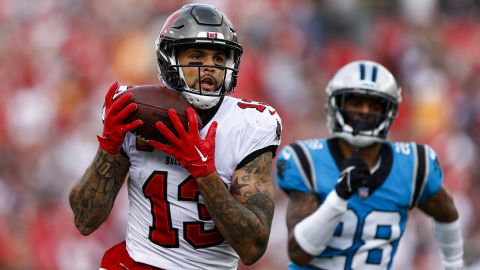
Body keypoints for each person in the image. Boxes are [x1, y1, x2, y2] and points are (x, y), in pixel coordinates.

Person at [69, 4, 282, 270]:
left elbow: (252, 248)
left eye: (219, 59)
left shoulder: (249, 124)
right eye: (197, 56)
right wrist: (109, 145)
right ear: (169, 57)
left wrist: (204, 171)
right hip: (139, 262)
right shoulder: (137, 110)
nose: (210, 68)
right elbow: (85, 220)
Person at [276, 60, 464, 270]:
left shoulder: (413, 165)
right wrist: (338, 198)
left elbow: (447, 213)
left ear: (390, 111)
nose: (365, 112)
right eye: (355, 103)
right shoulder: (307, 160)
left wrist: (454, 265)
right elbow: (298, 252)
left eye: (375, 105)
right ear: (337, 104)